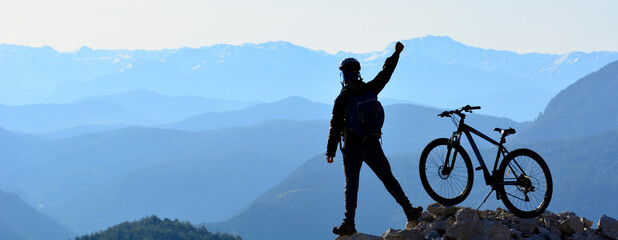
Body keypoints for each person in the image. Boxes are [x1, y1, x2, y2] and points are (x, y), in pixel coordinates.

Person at [326, 41, 422, 235]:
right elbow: (386, 73)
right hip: (372, 143)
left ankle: (349, 223)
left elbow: (335, 126)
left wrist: (330, 151)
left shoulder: (342, 98)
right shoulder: (371, 88)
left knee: (351, 186)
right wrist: (396, 54)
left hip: (352, 148)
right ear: (358, 72)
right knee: (388, 178)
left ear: (343, 76)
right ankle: (409, 210)